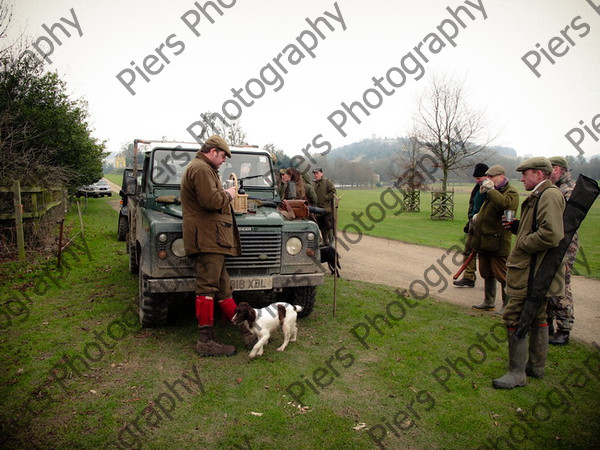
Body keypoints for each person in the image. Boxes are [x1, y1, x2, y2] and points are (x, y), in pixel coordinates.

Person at [493, 157, 565, 389]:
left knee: (513, 316)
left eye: (526, 174)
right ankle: (536, 367)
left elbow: (551, 234)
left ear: (539, 174)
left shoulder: (549, 195)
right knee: (537, 315)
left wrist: (522, 242)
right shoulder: (542, 194)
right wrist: (519, 228)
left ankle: (517, 373)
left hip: (532, 271)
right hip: (535, 270)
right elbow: (539, 227)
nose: (522, 178)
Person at [180, 135, 253, 357]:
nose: (223, 161)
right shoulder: (201, 169)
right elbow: (210, 201)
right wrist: (229, 194)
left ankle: (246, 332)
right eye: (222, 156)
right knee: (206, 288)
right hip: (208, 239)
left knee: (223, 288)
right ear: (212, 152)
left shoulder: (203, 168)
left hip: (213, 239)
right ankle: (206, 342)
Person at [470, 165, 519, 313]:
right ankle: (488, 301)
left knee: (503, 274)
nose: (489, 180)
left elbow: (505, 205)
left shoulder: (511, 192)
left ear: (502, 176)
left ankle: (507, 305)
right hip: (484, 239)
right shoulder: (493, 191)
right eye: (488, 177)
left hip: (498, 241)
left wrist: (491, 190)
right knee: (486, 272)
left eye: (492, 177)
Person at [547, 156, 578, 345]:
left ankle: (564, 328)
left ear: (559, 169)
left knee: (561, 286)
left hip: (566, 245)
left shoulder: (569, 190)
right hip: (556, 243)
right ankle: (548, 322)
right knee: (550, 283)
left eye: (551, 170)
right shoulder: (557, 189)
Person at [453, 163, 489, 288]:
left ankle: (493, 280)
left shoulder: (491, 189)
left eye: (479, 178)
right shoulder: (477, 187)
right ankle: (468, 277)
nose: (477, 181)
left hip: (486, 226)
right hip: (474, 223)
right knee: (468, 250)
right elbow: (472, 204)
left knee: (488, 254)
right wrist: (470, 219)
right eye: (476, 178)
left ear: (487, 176)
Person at [312, 167, 337, 245]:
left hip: (327, 209)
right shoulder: (314, 184)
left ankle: (331, 242)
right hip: (318, 209)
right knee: (321, 226)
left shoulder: (327, 182)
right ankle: (325, 241)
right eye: (315, 174)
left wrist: (325, 198)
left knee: (329, 225)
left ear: (321, 173)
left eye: (317, 173)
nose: (316, 175)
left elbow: (333, 192)